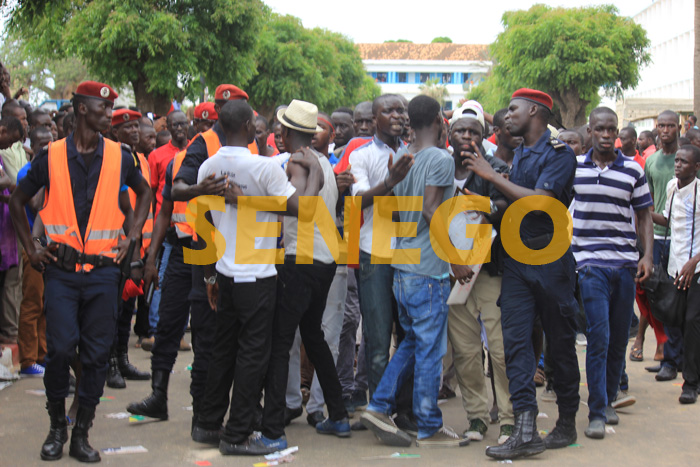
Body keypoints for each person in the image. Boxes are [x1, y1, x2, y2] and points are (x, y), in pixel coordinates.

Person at [9, 80, 151, 463]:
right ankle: (57, 426)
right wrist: (31, 248)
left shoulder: (120, 157)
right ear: (83, 110)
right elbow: (18, 200)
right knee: (58, 350)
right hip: (61, 271)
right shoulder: (51, 156)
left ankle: (81, 433)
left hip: (105, 272)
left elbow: (146, 194)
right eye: (103, 108)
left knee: (95, 357)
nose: (111, 114)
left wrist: (132, 235)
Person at [191, 99, 325, 455]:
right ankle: (236, 434)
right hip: (257, 273)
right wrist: (315, 175)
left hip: (225, 269)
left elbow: (204, 223)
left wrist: (209, 277)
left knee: (224, 350)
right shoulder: (263, 168)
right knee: (254, 355)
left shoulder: (208, 166)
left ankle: (208, 422)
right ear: (250, 127)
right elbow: (303, 211)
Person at [463, 88, 579, 459]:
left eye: (513, 110)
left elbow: (539, 202)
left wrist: (490, 176)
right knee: (515, 344)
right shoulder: (521, 154)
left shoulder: (560, 155)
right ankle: (525, 429)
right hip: (516, 261)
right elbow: (514, 203)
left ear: (534, 111)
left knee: (559, 343)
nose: (506, 116)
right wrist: (487, 205)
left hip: (550, 260)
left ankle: (566, 422)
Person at [360, 95, 466, 447]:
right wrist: (454, 257)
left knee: (411, 345)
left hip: (403, 267)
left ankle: (378, 405)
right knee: (430, 350)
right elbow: (430, 210)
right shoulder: (439, 158)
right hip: (427, 269)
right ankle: (428, 422)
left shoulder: (404, 159)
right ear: (439, 119)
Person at [570, 107, 653, 439]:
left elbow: (644, 215)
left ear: (616, 132)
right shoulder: (573, 168)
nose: (606, 135)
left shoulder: (633, 171)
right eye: (600, 129)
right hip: (589, 263)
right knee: (599, 336)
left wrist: (646, 255)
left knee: (619, 337)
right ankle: (596, 411)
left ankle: (607, 401)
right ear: (590, 131)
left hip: (624, 264)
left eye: (611, 130)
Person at [444, 106, 513, 445]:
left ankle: (511, 418)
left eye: (474, 132)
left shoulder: (496, 169)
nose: (468, 138)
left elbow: (506, 207)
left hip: (489, 270)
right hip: (452, 272)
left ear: (484, 137)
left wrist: (484, 209)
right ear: (450, 136)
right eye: (461, 132)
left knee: (500, 351)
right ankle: (476, 418)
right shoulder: (440, 168)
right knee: (466, 353)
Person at [105, 108, 153, 388]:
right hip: (116, 244)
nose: (134, 132)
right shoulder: (114, 158)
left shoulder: (139, 159)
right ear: (114, 132)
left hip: (137, 244)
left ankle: (122, 359)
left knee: (127, 307)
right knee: (113, 307)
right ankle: (110, 363)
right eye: (128, 128)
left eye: (137, 127)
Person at [652, 144, 700, 404]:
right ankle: (673, 363)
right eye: (677, 161)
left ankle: (690, 384)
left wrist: (695, 261)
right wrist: (646, 214)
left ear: (696, 167)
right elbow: (668, 219)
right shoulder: (672, 187)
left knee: (692, 322)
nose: (678, 165)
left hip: (696, 270)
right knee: (674, 318)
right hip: (675, 266)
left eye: (684, 162)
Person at [141, 110, 190, 350]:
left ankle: (180, 332)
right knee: (161, 279)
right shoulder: (158, 156)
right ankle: (155, 330)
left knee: (188, 283)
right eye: (174, 124)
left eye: (183, 123)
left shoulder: (196, 153)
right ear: (167, 127)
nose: (179, 128)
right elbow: (151, 193)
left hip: (192, 230)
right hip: (166, 228)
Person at [644, 110, 685, 381]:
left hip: (684, 239)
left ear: (679, 127)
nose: (666, 130)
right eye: (662, 125)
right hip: (658, 237)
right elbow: (646, 200)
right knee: (661, 298)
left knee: (682, 299)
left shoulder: (687, 159)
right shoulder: (652, 161)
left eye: (671, 125)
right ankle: (670, 356)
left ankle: (677, 359)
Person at [15, 126, 51, 378]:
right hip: (31, 246)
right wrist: (44, 175)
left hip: (49, 246)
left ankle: (42, 355)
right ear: (33, 148)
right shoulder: (27, 173)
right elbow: (36, 204)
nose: (49, 150)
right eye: (43, 146)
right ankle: (28, 359)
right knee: (32, 303)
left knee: (46, 304)